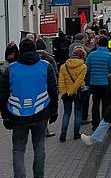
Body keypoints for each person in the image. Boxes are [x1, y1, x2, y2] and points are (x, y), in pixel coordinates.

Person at [0, 38, 59, 178]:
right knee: (39, 148)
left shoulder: (11, 68)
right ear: (35, 50)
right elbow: (53, 90)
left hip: (17, 114)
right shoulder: (46, 66)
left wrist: (5, 116)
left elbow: (2, 94)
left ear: (19, 50)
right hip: (41, 112)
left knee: (18, 149)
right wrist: (54, 111)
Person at [86, 36, 111, 130]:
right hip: (106, 83)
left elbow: (87, 68)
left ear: (97, 44)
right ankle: (105, 123)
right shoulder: (110, 55)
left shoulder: (91, 55)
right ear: (107, 45)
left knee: (95, 104)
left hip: (94, 83)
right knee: (106, 104)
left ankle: (95, 124)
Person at [58, 47, 87, 142]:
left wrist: (64, 92)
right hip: (77, 93)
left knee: (66, 113)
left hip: (66, 93)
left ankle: (63, 134)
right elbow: (79, 81)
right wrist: (72, 91)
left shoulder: (63, 66)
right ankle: (76, 133)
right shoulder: (83, 67)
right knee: (78, 113)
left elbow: (61, 81)